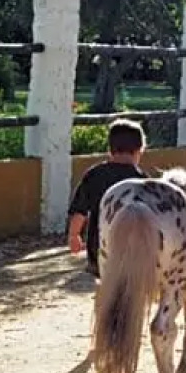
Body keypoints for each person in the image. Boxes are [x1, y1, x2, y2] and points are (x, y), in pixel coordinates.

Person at [68, 118, 146, 279]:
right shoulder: (142, 181)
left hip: (100, 250)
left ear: (110, 149)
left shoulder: (94, 175)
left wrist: (74, 235)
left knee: (105, 284)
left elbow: (80, 210)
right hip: (134, 253)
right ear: (140, 150)